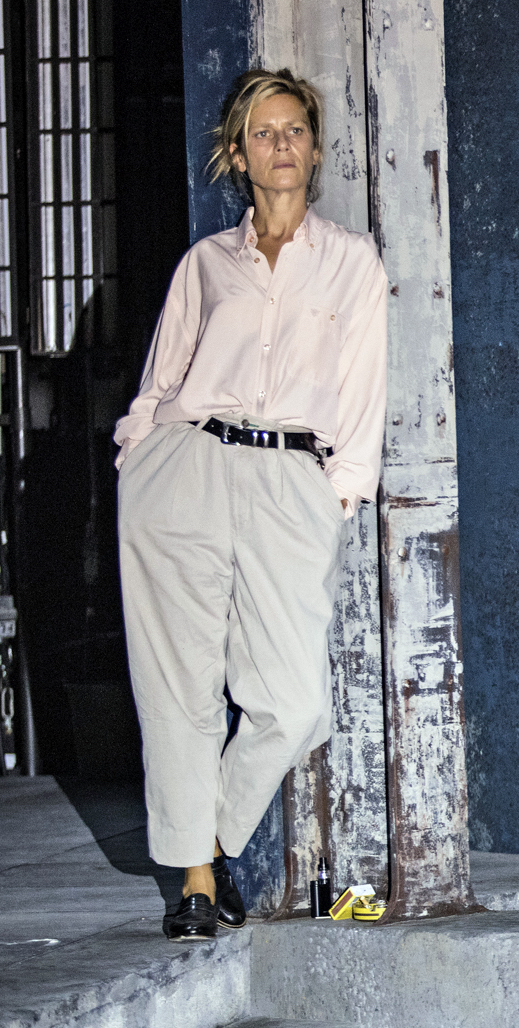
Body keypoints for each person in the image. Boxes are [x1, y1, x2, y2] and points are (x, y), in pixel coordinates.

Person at [115, 68, 388, 941]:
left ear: (314, 147)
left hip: (289, 475)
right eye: (263, 133)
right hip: (187, 467)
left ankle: (209, 836)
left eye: (294, 130)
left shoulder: (351, 261)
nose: (281, 145)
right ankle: (195, 883)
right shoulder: (207, 264)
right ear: (239, 154)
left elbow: (363, 392)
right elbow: (161, 379)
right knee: (179, 683)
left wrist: (335, 496)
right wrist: (138, 453)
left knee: (294, 700)